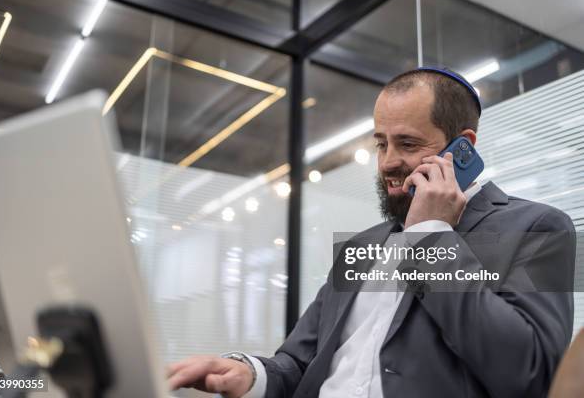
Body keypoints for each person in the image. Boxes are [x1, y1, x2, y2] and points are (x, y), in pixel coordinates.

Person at [166, 67, 576, 397]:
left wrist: (432, 236)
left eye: (409, 144)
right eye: (382, 144)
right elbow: (298, 363)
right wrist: (249, 375)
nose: (387, 162)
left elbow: (531, 375)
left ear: (463, 147)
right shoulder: (360, 248)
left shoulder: (538, 228)